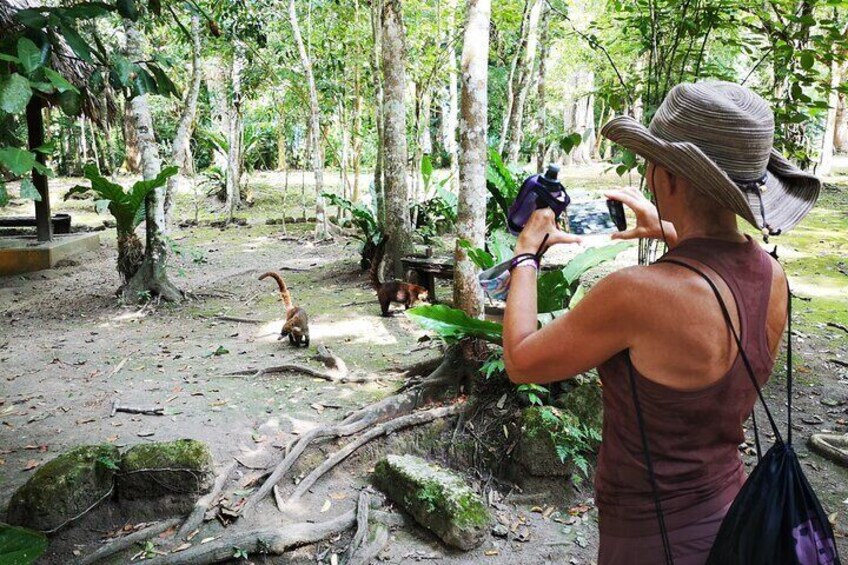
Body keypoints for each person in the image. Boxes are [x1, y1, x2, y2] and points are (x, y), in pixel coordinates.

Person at [502, 82, 821, 564]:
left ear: (668, 179)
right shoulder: (771, 275)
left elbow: (522, 360)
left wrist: (526, 254)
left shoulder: (636, 294)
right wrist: (672, 227)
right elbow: (715, 277)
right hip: (738, 516)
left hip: (652, 538)